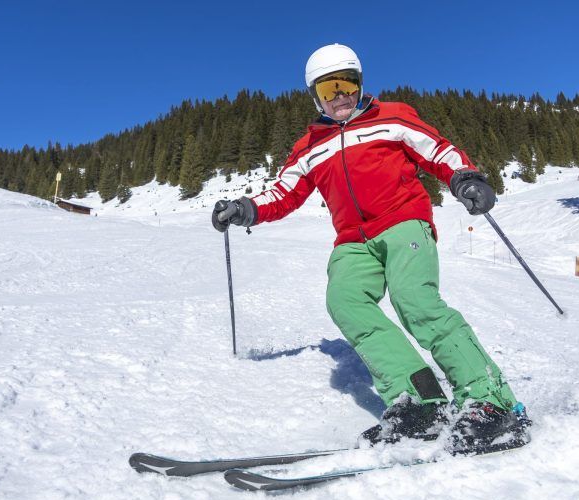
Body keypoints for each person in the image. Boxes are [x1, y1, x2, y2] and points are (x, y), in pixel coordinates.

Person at [212, 44, 529, 451]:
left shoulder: (392, 117)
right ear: (316, 96)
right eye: (329, 89)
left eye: (347, 84)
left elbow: (438, 150)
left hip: (403, 222)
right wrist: (245, 208)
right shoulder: (309, 145)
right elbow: (285, 191)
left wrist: (465, 177)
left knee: (415, 301)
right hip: (352, 240)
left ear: (360, 85)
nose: (339, 95)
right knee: (344, 300)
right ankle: (419, 400)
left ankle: (489, 401)